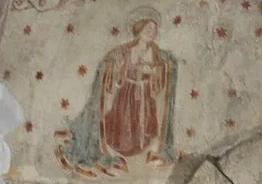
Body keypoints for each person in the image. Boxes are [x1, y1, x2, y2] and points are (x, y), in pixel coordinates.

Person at [59, 16, 178, 174]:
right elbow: (110, 59)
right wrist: (110, 65)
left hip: (146, 94)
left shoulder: (156, 52)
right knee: (125, 123)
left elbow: (166, 62)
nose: (152, 33)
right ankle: (119, 146)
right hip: (127, 92)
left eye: (154, 31)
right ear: (139, 30)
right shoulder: (126, 50)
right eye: (148, 29)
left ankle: (142, 146)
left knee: (144, 125)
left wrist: (159, 69)